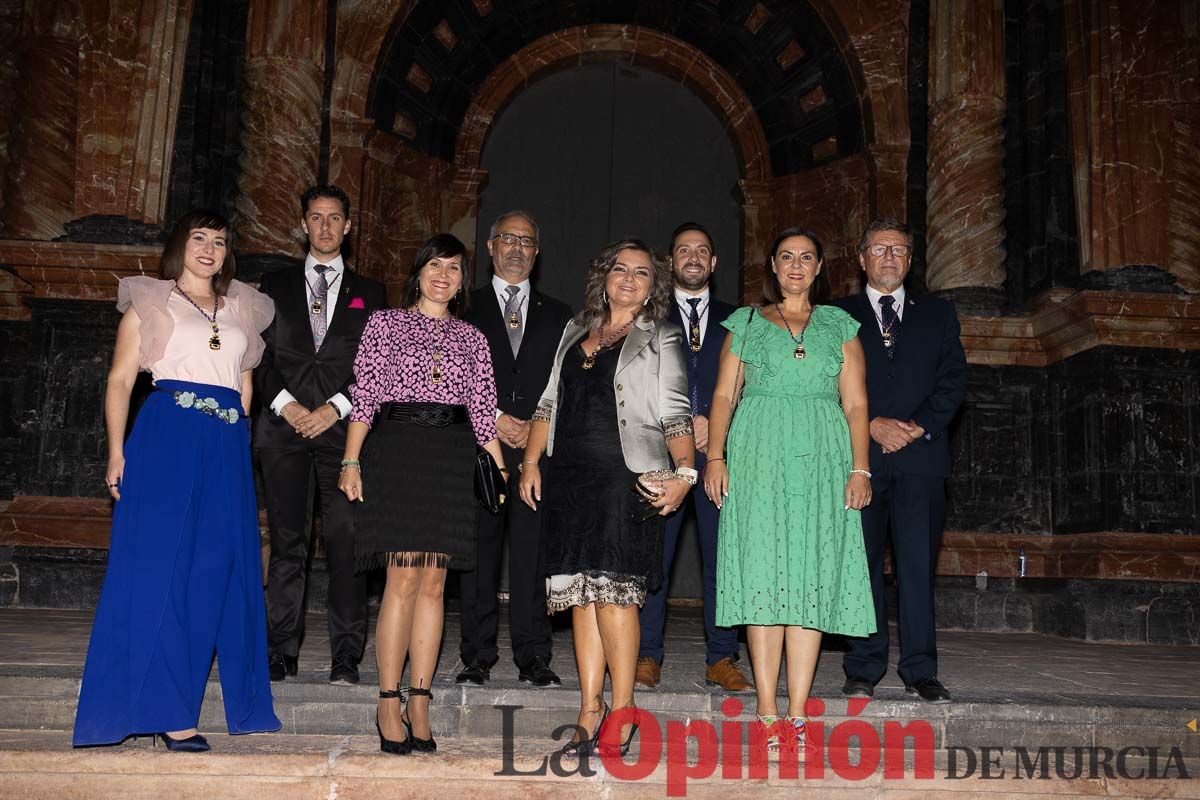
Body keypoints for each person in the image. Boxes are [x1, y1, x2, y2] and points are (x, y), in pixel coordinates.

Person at [73, 209, 280, 751]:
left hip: (226, 445)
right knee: (159, 573)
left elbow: (245, 386)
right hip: (166, 439)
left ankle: (185, 701)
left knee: (212, 576)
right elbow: (120, 381)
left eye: (219, 240)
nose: (209, 248)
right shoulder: (151, 301)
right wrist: (117, 452)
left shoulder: (244, 308)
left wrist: (238, 441)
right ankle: (167, 713)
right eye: (198, 238)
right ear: (179, 245)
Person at [519, 239, 696, 757]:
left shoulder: (660, 335)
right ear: (605, 276)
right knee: (580, 595)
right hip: (570, 477)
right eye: (620, 269)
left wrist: (684, 472)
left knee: (616, 595)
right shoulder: (576, 329)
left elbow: (677, 413)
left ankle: (623, 707)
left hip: (627, 477)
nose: (628, 278)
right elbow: (548, 401)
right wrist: (531, 462)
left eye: (641, 273)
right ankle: (588, 706)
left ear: (652, 286)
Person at [704, 227, 875, 751]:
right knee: (763, 578)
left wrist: (861, 468)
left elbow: (857, 404)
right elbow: (723, 395)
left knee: (808, 580)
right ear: (773, 267)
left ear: (819, 267)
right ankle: (766, 711)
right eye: (786, 257)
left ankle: (799, 711)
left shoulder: (841, 325)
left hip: (824, 460)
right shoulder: (747, 322)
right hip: (757, 458)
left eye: (806, 257)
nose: (796, 266)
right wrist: (715, 456)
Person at [338, 234, 504, 756]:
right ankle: (388, 698)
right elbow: (364, 396)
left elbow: (484, 412)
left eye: (454, 268)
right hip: (400, 454)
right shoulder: (384, 323)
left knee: (435, 583)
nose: (444, 275)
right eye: (435, 265)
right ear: (419, 272)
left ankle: (421, 698)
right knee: (402, 577)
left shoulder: (473, 338)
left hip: (452, 460)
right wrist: (350, 460)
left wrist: (500, 472)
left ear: (460, 281)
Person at [255, 184, 387, 687]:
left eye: (335, 218)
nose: (326, 226)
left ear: (348, 226)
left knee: (346, 545)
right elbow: (258, 359)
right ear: (304, 223)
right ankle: (280, 650)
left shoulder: (371, 293)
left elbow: (376, 368)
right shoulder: (271, 284)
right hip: (281, 431)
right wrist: (288, 406)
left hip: (344, 435)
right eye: (316, 217)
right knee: (287, 544)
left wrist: (335, 409)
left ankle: (346, 658)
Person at [833, 218, 966, 704]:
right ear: (862, 257)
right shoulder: (836, 315)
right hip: (860, 460)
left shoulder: (938, 314)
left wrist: (916, 428)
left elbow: (953, 381)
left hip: (922, 458)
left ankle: (920, 669)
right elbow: (825, 383)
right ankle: (863, 665)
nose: (889, 257)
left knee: (916, 566)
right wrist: (870, 427)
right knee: (860, 565)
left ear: (910, 260)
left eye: (899, 250)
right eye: (879, 249)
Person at [457, 210, 573, 688]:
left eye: (526, 241)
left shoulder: (562, 315)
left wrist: (535, 428)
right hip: (479, 450)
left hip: (537, 456)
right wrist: (495, 418)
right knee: (478, 557)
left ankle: (534, 656)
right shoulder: (464, 306)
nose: (516, 248)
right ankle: (476, 656)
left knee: (533, 557)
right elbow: (454, 380)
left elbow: (565, 384)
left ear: (537, 252)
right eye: (507, 239)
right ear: (489, 247)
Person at [636, 222, 751, 693]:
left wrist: (715, 424)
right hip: (661, 458)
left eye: (703, 250)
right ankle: (646, 654)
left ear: (714, 263)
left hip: (720, 457)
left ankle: (721, 657)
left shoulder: (740, 319)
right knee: (653, 561)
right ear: (670, 260)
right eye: (684, 249)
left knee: (722, 560)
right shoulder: (647, 317)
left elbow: (753, 385)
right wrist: (679, 427)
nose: (694, 257)